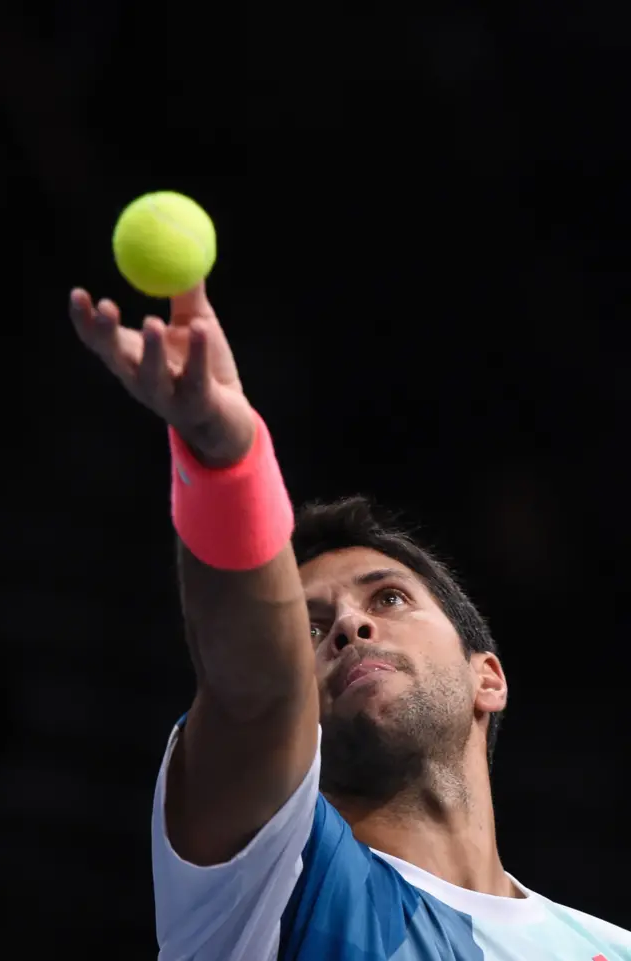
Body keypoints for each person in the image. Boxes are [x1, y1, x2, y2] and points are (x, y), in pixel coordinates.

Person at [70, 282, 630, 961]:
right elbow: (253, 688)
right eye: (309, 627)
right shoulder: (272, 889)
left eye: (388, 597)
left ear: (488, 675)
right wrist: (224, 455)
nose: (348, 627)